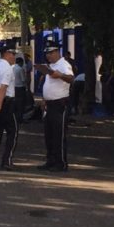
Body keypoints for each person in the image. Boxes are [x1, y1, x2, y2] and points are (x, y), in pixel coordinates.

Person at [39, 42, 74, 172]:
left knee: (59, 134)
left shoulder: (64, 65)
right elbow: (48, 84)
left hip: (60, 103)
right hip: (49, 104)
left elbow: (71, 78)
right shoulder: (51, 66)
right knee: (49, 134)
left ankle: (61, 163)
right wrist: (44, 99)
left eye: (51, 53)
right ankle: (50, 161)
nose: (48, 56)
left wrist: (60, 75)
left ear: (57, 52)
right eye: (47, 53)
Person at [13, 57, 27, 123]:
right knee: (21, 104)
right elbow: (23, 80)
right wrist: (27, 87)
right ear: (21, 62)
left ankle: (14, 117)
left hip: (13, 88)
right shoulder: (20, 69)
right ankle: (20, 118)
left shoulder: (12, 68)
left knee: (15, 103)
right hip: (20, 88)